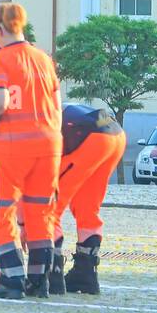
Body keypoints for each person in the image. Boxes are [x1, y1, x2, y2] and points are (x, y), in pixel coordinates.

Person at [0, 3, 62, 300]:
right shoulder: (44, 59)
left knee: (0, 209)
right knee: (39, 212)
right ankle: (38, 281)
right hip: (48, 145)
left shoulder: (0, 59)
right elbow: (56, 107)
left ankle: (11, 279)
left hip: (11, 147)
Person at [50, 105, 126, 295]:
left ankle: (52, 274)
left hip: (85, 135)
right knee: (87, 208)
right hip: (114, 133)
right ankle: (86, 274)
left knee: (47, 209)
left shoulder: (21, 124)